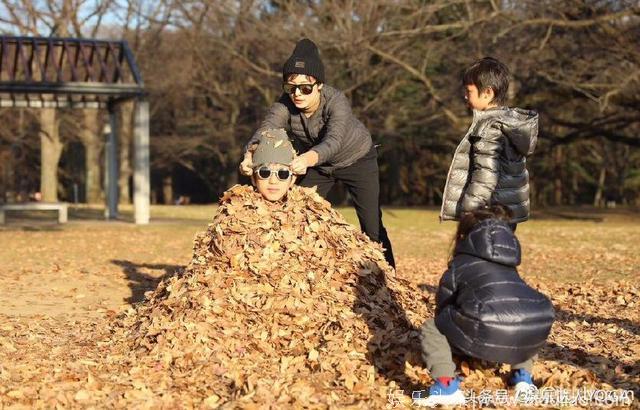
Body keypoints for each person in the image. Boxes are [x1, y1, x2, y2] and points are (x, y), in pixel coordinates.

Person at [239, 38, 395, 268]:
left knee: (371, 224)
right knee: (297, 211)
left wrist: (307, 159)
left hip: (357, 160)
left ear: (319, 85)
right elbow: (267, 130)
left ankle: (388, 278)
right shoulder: (284, 105)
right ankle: (298, 269)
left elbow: (334, 141)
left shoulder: (337, 101)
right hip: (320, 166)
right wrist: (250, 154)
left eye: (305, 88)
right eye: (291, 88)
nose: (297, 94)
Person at [414, 205, 555, 407]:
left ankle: (445, 386)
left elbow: (443, 307)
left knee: (432, 327)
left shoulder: (461, 264)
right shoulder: (509, 263)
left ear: (465, 235)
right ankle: (522, 378)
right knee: (522, 319)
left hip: (484, 326)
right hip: (535, 322)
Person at [440, 57, 539, 231]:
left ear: (488, 93)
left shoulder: (490, 128)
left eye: (468, 91)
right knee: (501, 253)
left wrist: (469, 211)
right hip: (507, 210)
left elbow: (485, 175)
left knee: (481, 254)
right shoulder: (509, 123)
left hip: (488, 213)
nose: (465, 96)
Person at [250, 128, 297, 202]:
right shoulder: (233, 211)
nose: (273, 181)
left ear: (293, 179)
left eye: (283, 173)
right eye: (264, 172)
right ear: (253, 178)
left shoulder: (311, 212)